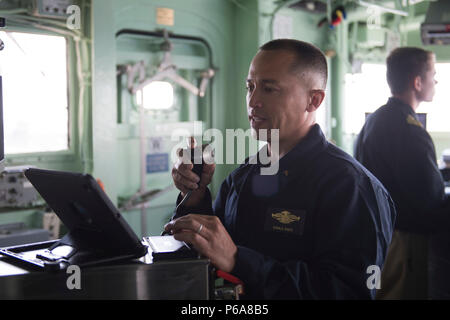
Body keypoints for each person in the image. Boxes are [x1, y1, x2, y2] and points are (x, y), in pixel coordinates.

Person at [165, 39, 396, 299]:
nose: (253, 101)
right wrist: (194, 195)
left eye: (269, 89)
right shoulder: (242, 177)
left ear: (314, 100)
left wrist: (239, 260)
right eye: (249, 87)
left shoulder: (351, 187)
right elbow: (211, 253)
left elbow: (349, 292)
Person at [355, 47, 450, 299]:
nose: (436, 80)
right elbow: (429, 197)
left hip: (380, 235)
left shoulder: (376, 118)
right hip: (403, 239)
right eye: (433, 74)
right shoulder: (408, 129)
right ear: (417, 82)